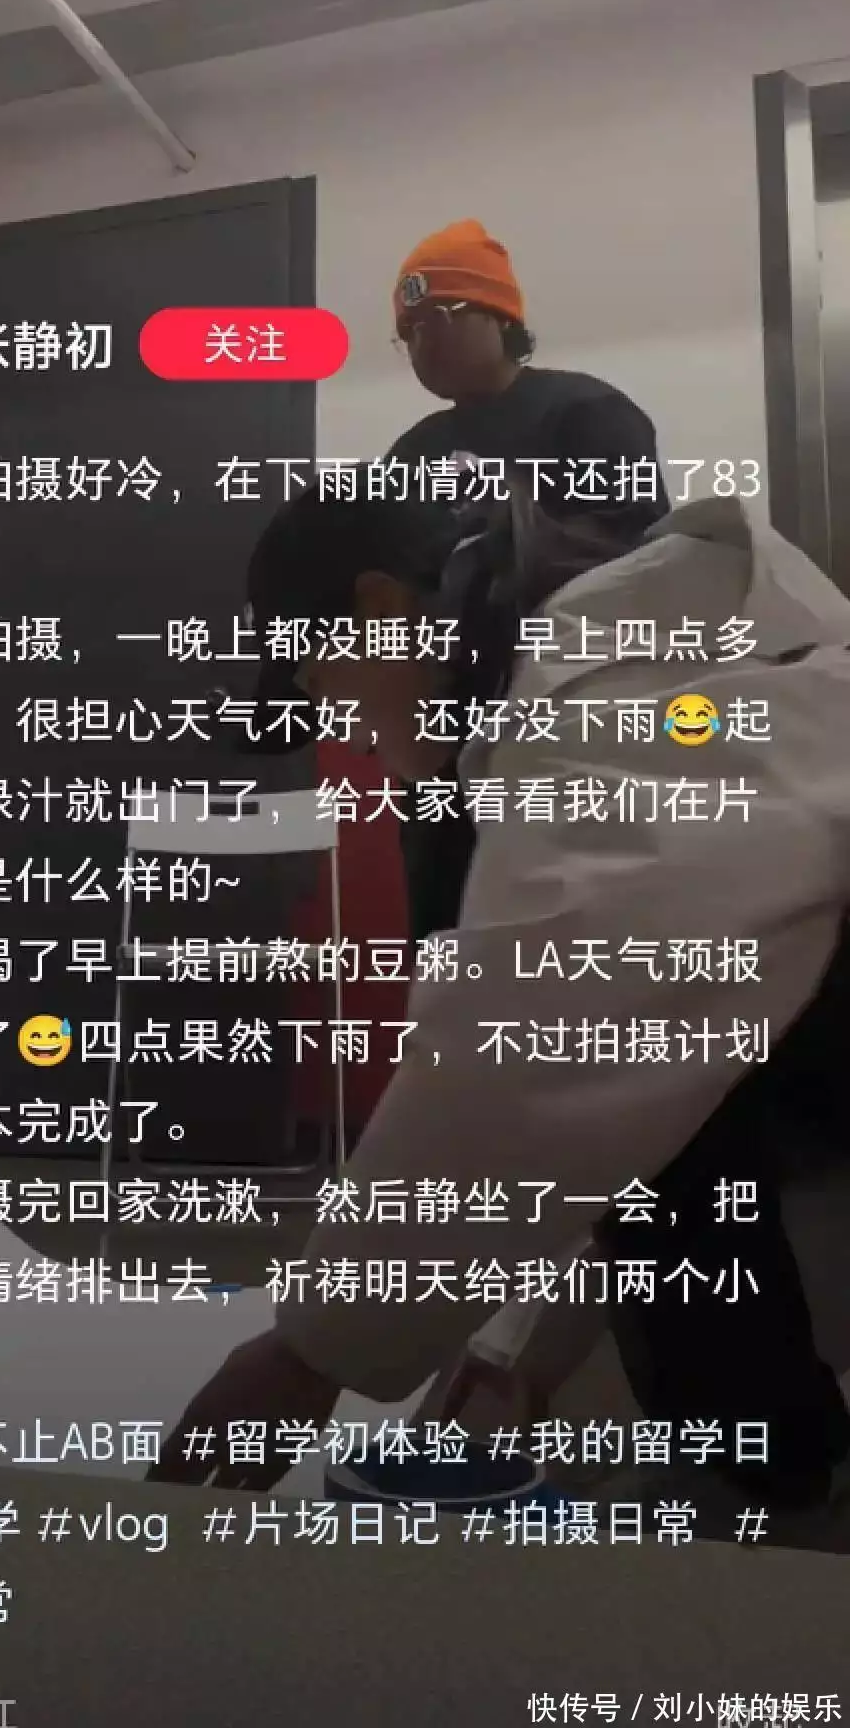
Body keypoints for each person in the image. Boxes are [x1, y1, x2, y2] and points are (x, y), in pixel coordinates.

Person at [149, 470, 850, 1510]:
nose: (345, 733)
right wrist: (505, 1351)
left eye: (324, 688)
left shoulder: (617, 680)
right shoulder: (630, 649)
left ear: (381, 610)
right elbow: (619, 1103)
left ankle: (769, 1489)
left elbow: (542, 1050)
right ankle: (768, 1465)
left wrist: (310, 1351)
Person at [388, 219, 670, 940]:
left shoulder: (588, 415)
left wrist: (502, 548)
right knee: (447, 934)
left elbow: (639, 571)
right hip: (443, 742)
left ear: (498, 315)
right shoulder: (412, 451)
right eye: (407, 331)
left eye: (438, 318)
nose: (421, 343)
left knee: (567, 942)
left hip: (569, 728)